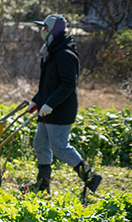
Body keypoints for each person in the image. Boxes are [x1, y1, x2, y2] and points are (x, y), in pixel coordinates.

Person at [22, 14, 102, 196]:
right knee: (40, 143)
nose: (42, 31)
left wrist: (50, 103)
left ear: (54, 30)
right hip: (48, 107)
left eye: (45, 28)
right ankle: (43, 186)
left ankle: (91, 178)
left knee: (59, 147)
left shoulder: (65, 53)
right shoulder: (52, 50)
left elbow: (68, 83)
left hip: (61, 109)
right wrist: (37, 100)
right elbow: (49, 84)